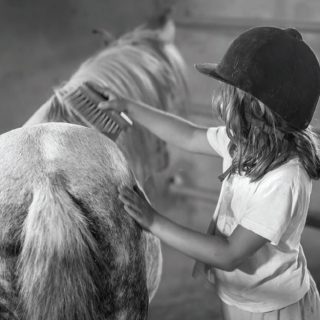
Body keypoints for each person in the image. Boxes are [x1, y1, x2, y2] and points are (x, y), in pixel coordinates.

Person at [95, 26, 320, 319]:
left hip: (274, 309)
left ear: (254, 108)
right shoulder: (245, 141)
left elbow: (228, 253)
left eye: (229, 94)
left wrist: (154, 222)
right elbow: (188, 135)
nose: (222, 100)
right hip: (246, 298)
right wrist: (130, 107)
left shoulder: (284, 179)